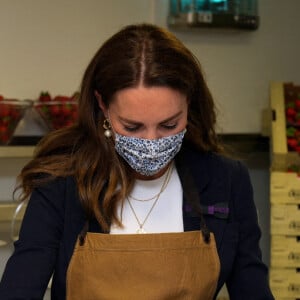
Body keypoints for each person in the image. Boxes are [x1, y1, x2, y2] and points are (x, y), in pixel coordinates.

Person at [0, 23, 274, 300]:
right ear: (102, 105)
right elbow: (19, 291)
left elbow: (253, 290)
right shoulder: (62, 184)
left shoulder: (225, 180)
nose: (152, 141)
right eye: (132, 127)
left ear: (189, 104)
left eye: (169, 125)